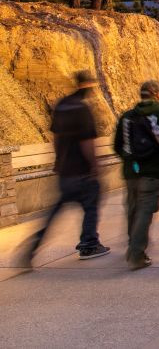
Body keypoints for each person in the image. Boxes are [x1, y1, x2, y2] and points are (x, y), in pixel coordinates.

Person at [18, 71, 111, 267]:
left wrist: (59, 160)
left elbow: (56, 137)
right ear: (86, 85)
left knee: (57, 210)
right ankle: (89, 244)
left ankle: (35, 244)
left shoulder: (61, 106)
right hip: (82, 171)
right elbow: (87, 142)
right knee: (91, 205)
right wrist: (95, 166)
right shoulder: (82, 109)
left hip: (66, 171)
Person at [113, 80, 159, 270]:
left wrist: (131, 161)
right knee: (144, 211)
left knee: (133, 209)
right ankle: (136, 253)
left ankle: (132, 245)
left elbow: (117, 146)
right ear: (157, 94)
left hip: (130, 171)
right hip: (153, 172)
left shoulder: (127, 117)